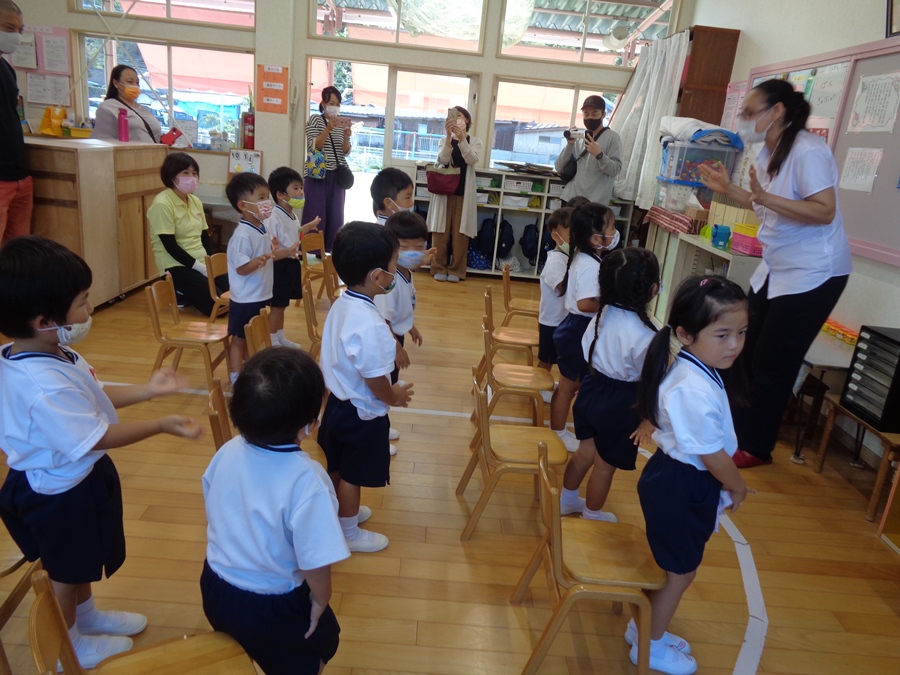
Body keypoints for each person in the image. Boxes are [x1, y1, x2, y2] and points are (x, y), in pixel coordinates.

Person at [0, 236, 202, 668]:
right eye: (82, 302)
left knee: (81, 562)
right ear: (43, 320)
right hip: (58, 494)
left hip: (73, 478)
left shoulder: (45, 350)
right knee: (65, 573)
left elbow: (92, 395)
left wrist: (148, 390)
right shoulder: (42, 386)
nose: (89, 310)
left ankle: (86, 617)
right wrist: (160, 424)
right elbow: (94, 436)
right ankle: (67, 647)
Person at [699, 79, 852, 468]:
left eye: (751, 112)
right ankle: (733, 432)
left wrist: (765, 196)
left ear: (778, 111)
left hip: (814, 271)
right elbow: (764, 205)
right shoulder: (768, 151)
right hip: (777, 265)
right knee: (743, 348)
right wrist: (728, 189)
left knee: (772, 362)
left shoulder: (808, 151)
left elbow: (824, 211)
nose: (744, 119)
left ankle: (755, 446)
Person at [200, 348, 348, 675]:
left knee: (245, 646)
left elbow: (213, 506)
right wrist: (321, 599)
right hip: (271, 603)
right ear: (309, 426)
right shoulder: (309, 481)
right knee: (319, 645)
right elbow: (315, 558)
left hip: (215, 585)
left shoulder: (226, 451)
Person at [634, 275, 752, 675]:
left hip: (680, 481)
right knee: (680, 573)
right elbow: (712, 455)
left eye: (741, 333)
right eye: (722, 335)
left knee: (676, 567)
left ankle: (644, 629)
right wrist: (738, 486)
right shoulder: (691, 388)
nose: (734, 345)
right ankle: (649, 646)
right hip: (681, 485)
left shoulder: (700, 368)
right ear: (685, 334)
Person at [318, 222, 414, 553]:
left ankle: (337, 513)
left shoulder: (344, 301)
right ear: (377, 277)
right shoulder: (370, 324)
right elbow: (375, 380)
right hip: (361, 413)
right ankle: (348, 532)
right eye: (393, 266)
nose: (395, 273)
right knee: (352, 475)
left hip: (336, 404)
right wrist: (394, 396)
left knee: (335, 464)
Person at [559, 248, 660, 523]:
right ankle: (592, 515)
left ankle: (566, 501)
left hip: (592, 389)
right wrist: (648, 419)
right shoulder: (648, 335)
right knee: (604, 467)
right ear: (653, 290)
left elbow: (587, 352)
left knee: (585, 453)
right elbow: (652, 381)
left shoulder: (601, 315)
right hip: (622, 403)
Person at [550, 203, 620, 452]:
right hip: (578, 329)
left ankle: (559, 428)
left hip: (574, 327)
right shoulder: (591, 266)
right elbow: (585, 303)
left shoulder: (585, 257)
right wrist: (612, 301)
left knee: (570, 384)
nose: (615, 232)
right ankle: (558, 432)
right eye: (611, 227)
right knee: (567, 387)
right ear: (595, 238)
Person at [224, 172, 297, 384]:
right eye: (261, 198)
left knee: (252, 337)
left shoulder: (261, 227)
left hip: (261, 294)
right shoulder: (242, 235)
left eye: (267, 197)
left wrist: (284, 251)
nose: (267, 203)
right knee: (239, 340)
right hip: (245, 298)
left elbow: (268, 255)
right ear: (243, 205)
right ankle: (236, 378)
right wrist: (259, 260)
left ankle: (248, 372)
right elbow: (241, 268)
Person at [373, 211, 435, 456]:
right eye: (404, 246)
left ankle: (382, 424)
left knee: (388, 383)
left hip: (394, 337)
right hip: (386, 341)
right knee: (382, 389)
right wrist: (397, 349)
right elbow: (384, 320)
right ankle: (377, 435)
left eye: (418, 246)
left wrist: (411, 327)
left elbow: (402, 308)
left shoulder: (405, 273)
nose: (412, 252)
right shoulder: (391, 281)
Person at [147, 152, 228, 315]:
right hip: (176, 265)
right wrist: (200, 268)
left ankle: (191, 291)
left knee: (234, 295)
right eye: (185, 173)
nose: (191, 177)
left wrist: (210, 263)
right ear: (172, 176)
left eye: (194, 173)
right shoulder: (162, 204)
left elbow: (205, 238)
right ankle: (179, 291)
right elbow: (170, 246)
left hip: (202, 262)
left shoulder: (195, 201)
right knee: (218, 307)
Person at [266, 166, 321, 348]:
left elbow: (294, 233)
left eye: (301, 188)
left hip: (291, 263)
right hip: (280, 266)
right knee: (276, 307)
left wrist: (308, 227)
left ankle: (280, 337)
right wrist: (286, 251)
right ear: (280, 194)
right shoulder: (274, 217)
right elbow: (270, 250)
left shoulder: (291, 214)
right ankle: (272, 341)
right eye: (296, 188)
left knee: (282, 306)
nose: (301, 192)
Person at [426, 106, 483, 282]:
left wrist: (462, 139)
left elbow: (472, 159)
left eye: (459, 116)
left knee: (461, 234)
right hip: (444, 192)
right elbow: (442, 160)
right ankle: (438, 267)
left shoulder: (475, 141)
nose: (456, 119)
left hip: (463, 193)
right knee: (440, 233)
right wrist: (449, 137)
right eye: (453, 116)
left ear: (467, 120)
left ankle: (457, 270)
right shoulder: (444, 140)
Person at [302, 86, 352, 253]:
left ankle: (331, 250)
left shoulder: (340, 124)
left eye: (337, 104)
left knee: (336, 215)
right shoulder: (315, 120)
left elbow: (344, 151)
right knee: (315, 213)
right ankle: (311, 251)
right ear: (323, 104)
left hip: (336, 174)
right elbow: (315, 145)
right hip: (317, 173)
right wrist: (328, 128)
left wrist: (346, 137)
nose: (335, 107)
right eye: (331, 103)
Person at [0, 1, 31, 245]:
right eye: (9, 28)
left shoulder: (6, 68)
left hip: (18, 174)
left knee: (19, 252)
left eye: (20, 30)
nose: (16, 36)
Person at [554, 95, 622, 206]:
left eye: (594, 114)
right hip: (571, 198)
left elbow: (615, 170)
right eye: (586, 114)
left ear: (603, 114)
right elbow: (558, 167)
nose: (590, 117)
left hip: (595, 203)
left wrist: (600, 155)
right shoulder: (579, 138)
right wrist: (570, 145)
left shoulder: (613, 138)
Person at [537, 207, 573, 395]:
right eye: (571, 235)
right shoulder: (555, 261)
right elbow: (561, 287)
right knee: (547, 359)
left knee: (555, 357)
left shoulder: (566, 257)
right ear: (556, 236)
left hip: (560, 319)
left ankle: (545, 384)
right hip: (551, 321)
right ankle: (538, 387)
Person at [90, 65, 161, 143]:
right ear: (116, 83)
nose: (135, 86)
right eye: (130, 82)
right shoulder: (108, 107)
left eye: (137, 82)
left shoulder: (143, 109)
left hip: (153, 150)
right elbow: (103, 140)